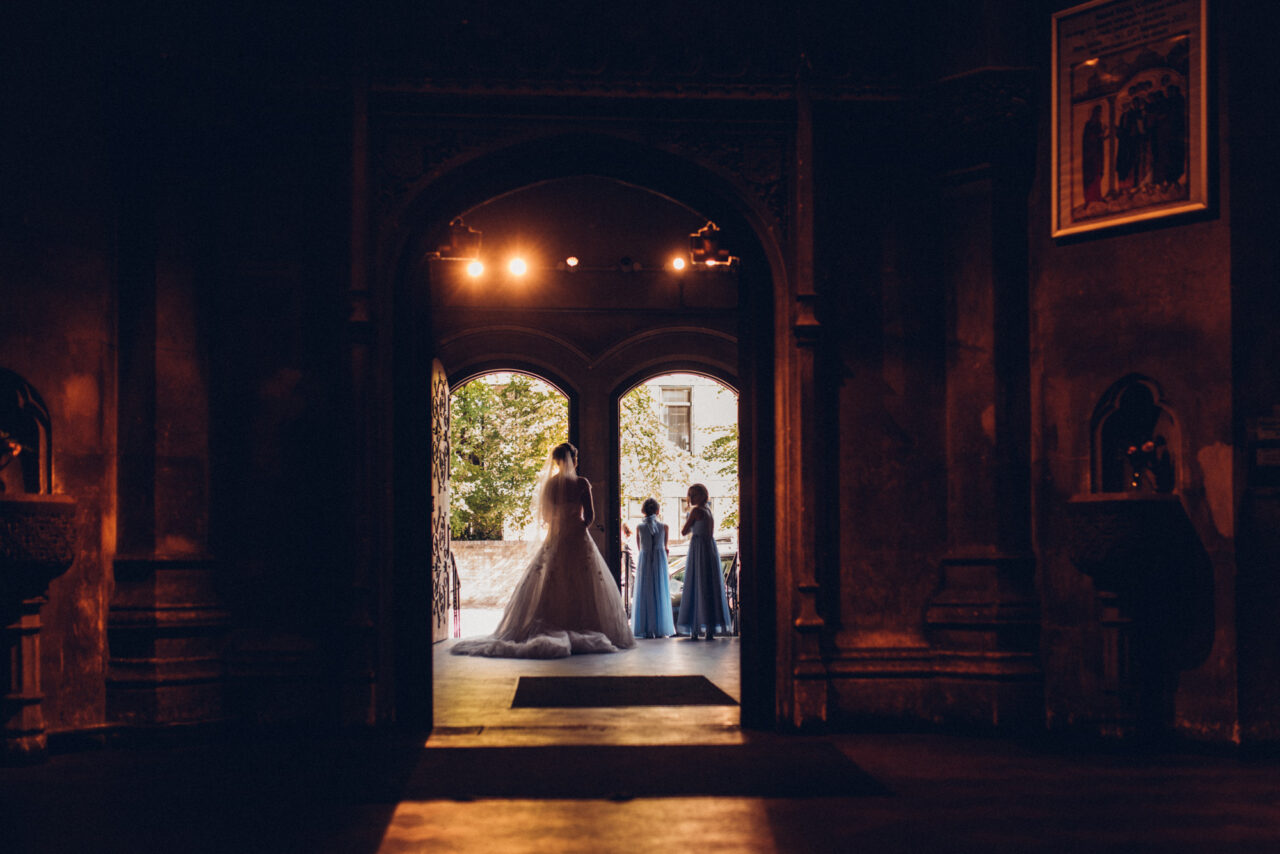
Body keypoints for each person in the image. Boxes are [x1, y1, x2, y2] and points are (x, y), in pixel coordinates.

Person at [451, 442, 636, 658]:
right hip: (577, 537)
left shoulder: (549, 485)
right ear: (573, 460)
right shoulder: (582, 483)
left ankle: (551, 623)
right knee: (584, 583)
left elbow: (546, 517)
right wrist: (576, 527)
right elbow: (590, 517)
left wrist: (561, 526)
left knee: (550, 580)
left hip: (556, 538)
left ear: (556, 462)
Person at [675, 483, 731, 641]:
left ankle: (695, 626)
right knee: (709, 585)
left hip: (698, 548)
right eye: (690, 495)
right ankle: (710, 628)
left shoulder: (696, 511)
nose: (691, 498)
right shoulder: (709, 511)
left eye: (694, 495)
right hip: (709, 548)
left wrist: (689, 520)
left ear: (702, 495)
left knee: (696, 583)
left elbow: (684, 531)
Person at [631, 497, 675, 638]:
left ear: (643, 510)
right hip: (659, 561)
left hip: (645, 561)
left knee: (645, 592)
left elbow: (640, 548)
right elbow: (666, 548)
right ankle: (660, 628)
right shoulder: (665, 527)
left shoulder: (639, 527)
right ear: (658, 510)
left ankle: (646, 628)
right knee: (660, 592)